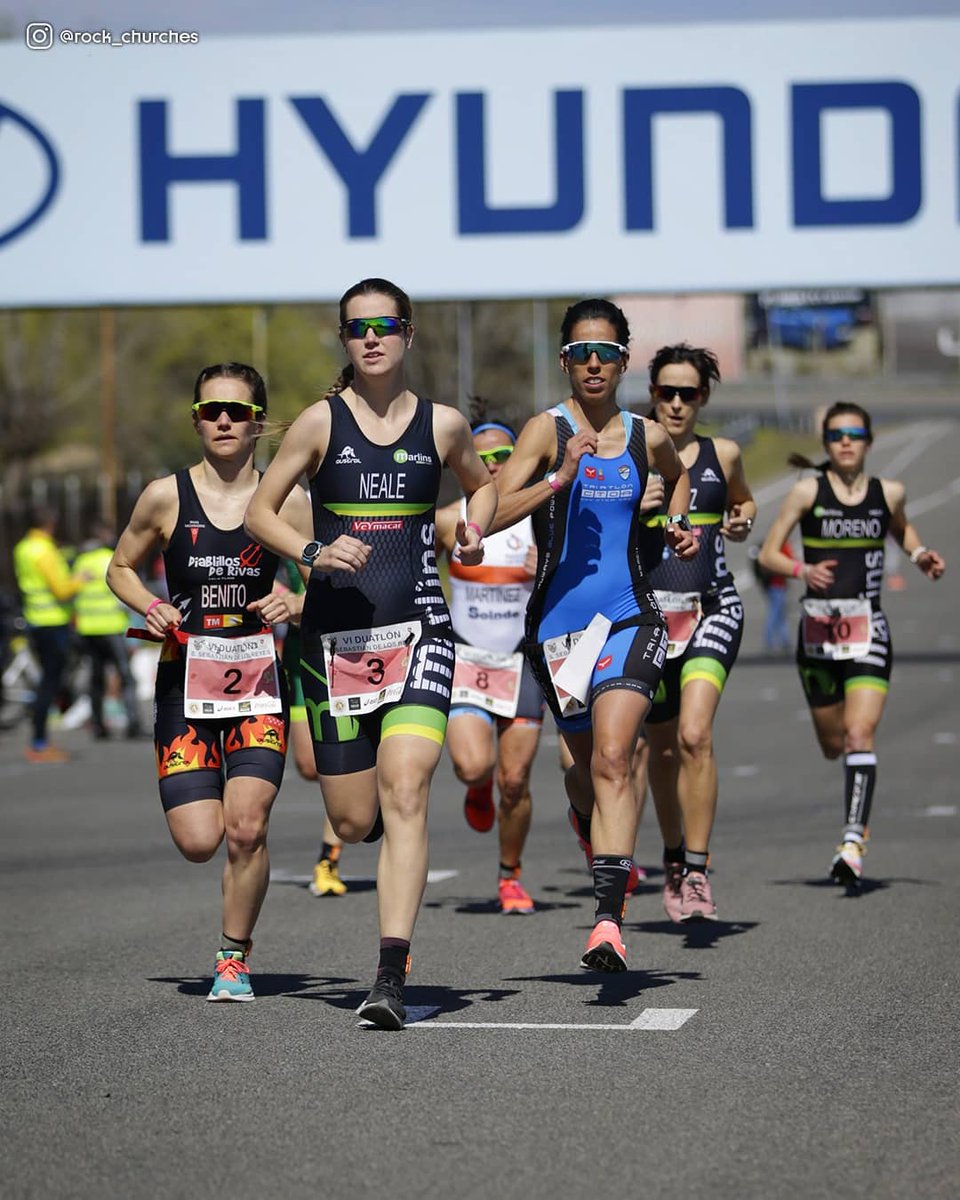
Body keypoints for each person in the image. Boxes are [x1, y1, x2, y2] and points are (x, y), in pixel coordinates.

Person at [244, 278, 497, 1029]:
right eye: (358, 329)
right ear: (345, 340)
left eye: (386, 325)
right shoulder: (319, 426)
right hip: (335, 646)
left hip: (420, 631)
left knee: (408, 783)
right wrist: (314, 550)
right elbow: (260, 512)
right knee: (355, 822)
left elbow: (480, 490)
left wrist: (474, 526)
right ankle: (378, 832)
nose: (372, 338)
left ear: (409, 335)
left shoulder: (444, 425)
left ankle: (390, 972)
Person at [491, 298, 697, 972]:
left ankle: (607, 920)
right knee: (583, 774)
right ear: (564, 361)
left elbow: (680, 474)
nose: (593, 364)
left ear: (623, 360)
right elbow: (491, 512)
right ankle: (596, 841)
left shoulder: (645, 433)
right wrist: (559, 477)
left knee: (615, 756)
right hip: (559, 630)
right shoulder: (543, 430)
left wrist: (675, 522)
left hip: (632, 613)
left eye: (606, 352)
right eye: (581, 352)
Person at [106, 362, 311, 1001]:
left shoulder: (288, 500)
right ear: (196, 418)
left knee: (247, 828)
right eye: (212, 410)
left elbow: (331, 576)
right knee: (200, 842)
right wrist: (149, 604)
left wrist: (297, 602)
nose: (225, 420)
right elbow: (119, 566)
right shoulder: (165, 495)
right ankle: (228, 909)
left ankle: (233, 955)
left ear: (260, 424)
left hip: (258, 684)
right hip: (183, 681)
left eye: (239, 412)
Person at [758, 402, 945, 886]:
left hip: (869, 630)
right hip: (818, 634)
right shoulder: (806, 492)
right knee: (833, 744)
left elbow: (900, 526)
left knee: (860, 735)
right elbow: (766, 554)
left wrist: (921, 553)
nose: (845, 441)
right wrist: (803, 570)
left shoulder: (890, 492)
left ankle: (852, 842)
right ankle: (852, 821)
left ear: (868, 441)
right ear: (826, 443)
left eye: (854, 433)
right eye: (836, 434)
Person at [639, 344, 756, 922]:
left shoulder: (723, 453)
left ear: (703, 398)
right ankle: (672, 859)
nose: (678, 404)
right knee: (660, 748)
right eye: (667, 392)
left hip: (712, 608)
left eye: (689, 394)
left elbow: (743, 501)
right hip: (649, 619)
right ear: (652, 394)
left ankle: (700, 871)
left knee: (694, 735)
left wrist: (742, 519)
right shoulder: (630, 452)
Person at [436, 408, 542, 914]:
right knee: (473, 765)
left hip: (521, 661)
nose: (497, 465)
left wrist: (545, 567)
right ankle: (477, 788)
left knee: (516, 780)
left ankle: (510, 874)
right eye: (486, 456)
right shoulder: (447, 519)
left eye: (507, 455)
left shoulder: (539, 520)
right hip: (468, 658)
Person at [277, 558, 349, 897]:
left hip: (345, 648)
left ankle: (328, 860)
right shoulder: (286, 509)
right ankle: (361, 790)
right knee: (309, 765)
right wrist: (278, 594)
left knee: (340, 762)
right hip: (301, 649)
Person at [12, 506, 82, 762]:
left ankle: (40, 739)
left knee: (47, 680)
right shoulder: (45, 551)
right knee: (50, 683)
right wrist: (80, 579)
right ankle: (40, 742)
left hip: (36, 620)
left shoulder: (23, 547)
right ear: (50, 523)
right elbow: (62, 590)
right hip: (53, 622)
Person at [73, 522, 144, 739]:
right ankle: (133, 724)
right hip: (112, 627)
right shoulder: (110, 560)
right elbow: (126, 594)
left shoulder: (81, 563)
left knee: (96, 678)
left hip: (88, 628)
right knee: (126, 677)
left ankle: (98, 725)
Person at [749, 540, 795, 654]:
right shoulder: (780, 547)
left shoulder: (770, 546)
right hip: (777, 585)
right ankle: (769, 639)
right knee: (775, 613)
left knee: (780, 613)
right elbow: (790, 562)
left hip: (772, 585)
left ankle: (785, 639)